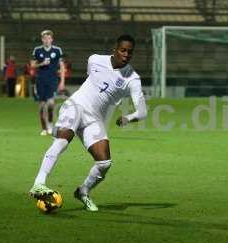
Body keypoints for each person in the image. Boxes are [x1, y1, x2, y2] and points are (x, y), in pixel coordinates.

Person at [29, 34, 147, 212]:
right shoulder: (95, 60)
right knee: (62, 140)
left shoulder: (132, 79)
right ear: (115, 49)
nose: (126, 54)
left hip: (94, 119)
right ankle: (39, 183)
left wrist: (128, 118)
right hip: (76, 106)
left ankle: (83, 192)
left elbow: (143, 111)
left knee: (104, 163)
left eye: (130, 52)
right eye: (123, 50)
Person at [31, 30, 65, 136]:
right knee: (42, 105)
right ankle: (44, 128)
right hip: (40, 80)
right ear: (42, 39)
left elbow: (62, 67)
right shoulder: (37, 50)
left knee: (50, 104)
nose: (47, 40)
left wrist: (62, 82)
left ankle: (50, 124)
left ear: (52, 39)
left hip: (52, 80)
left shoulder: (57, 50)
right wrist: (41, 64)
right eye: (45, 38)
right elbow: (32, 65)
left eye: (49, 38)